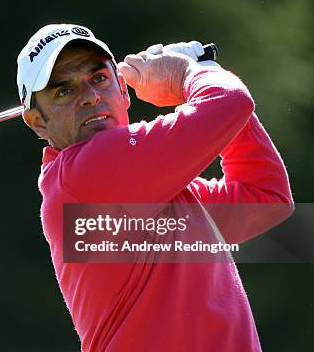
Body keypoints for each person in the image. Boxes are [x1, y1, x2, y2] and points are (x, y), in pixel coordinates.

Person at [16, 24, 293, 351]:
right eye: (63, 91)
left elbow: (265, 197)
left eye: (99, 78)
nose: (90, 97)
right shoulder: (84, 176)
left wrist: (202, 73)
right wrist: (190, 73)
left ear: (123, 89)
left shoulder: (151, 190)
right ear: (37, 121)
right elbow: (230, 102)